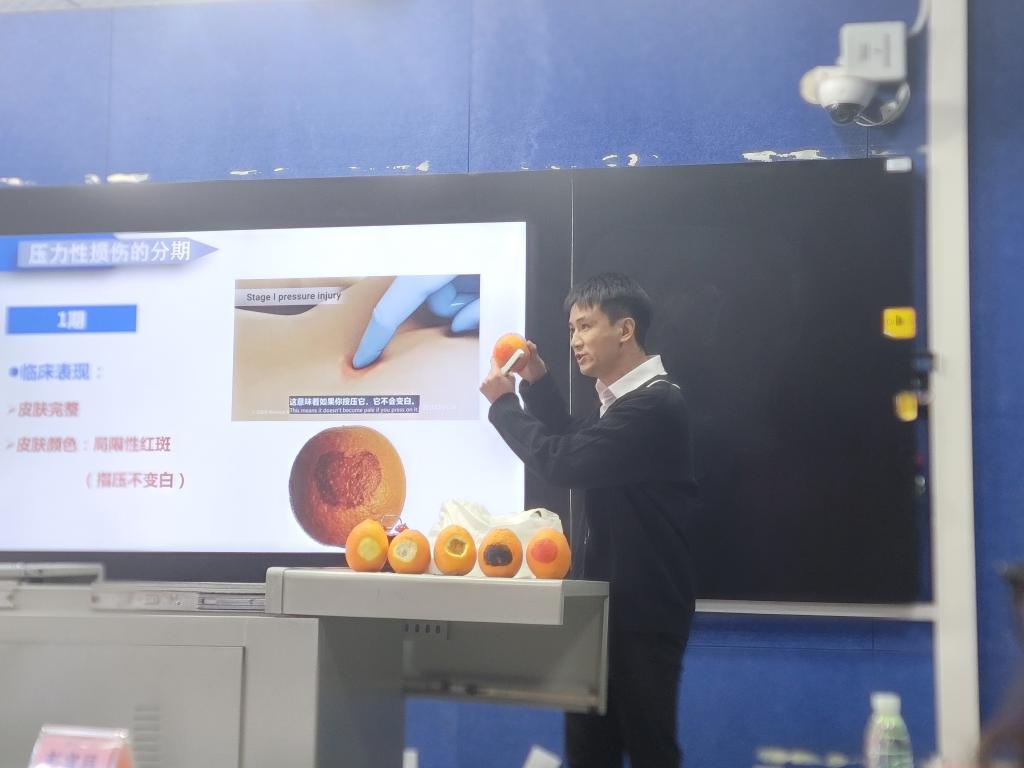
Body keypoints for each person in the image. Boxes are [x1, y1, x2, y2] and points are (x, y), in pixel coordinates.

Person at [479, 272, 697, 768]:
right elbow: (574, 438)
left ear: (625, 329)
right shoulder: (623, 405)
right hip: (603, 606)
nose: (575, 340)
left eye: (585, 326)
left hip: (642, 611)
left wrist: (505, 406)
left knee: (649, 749)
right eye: (571, 329)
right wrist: (537, 382)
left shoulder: (655, 404)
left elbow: (565, 462)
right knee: (588, 750)